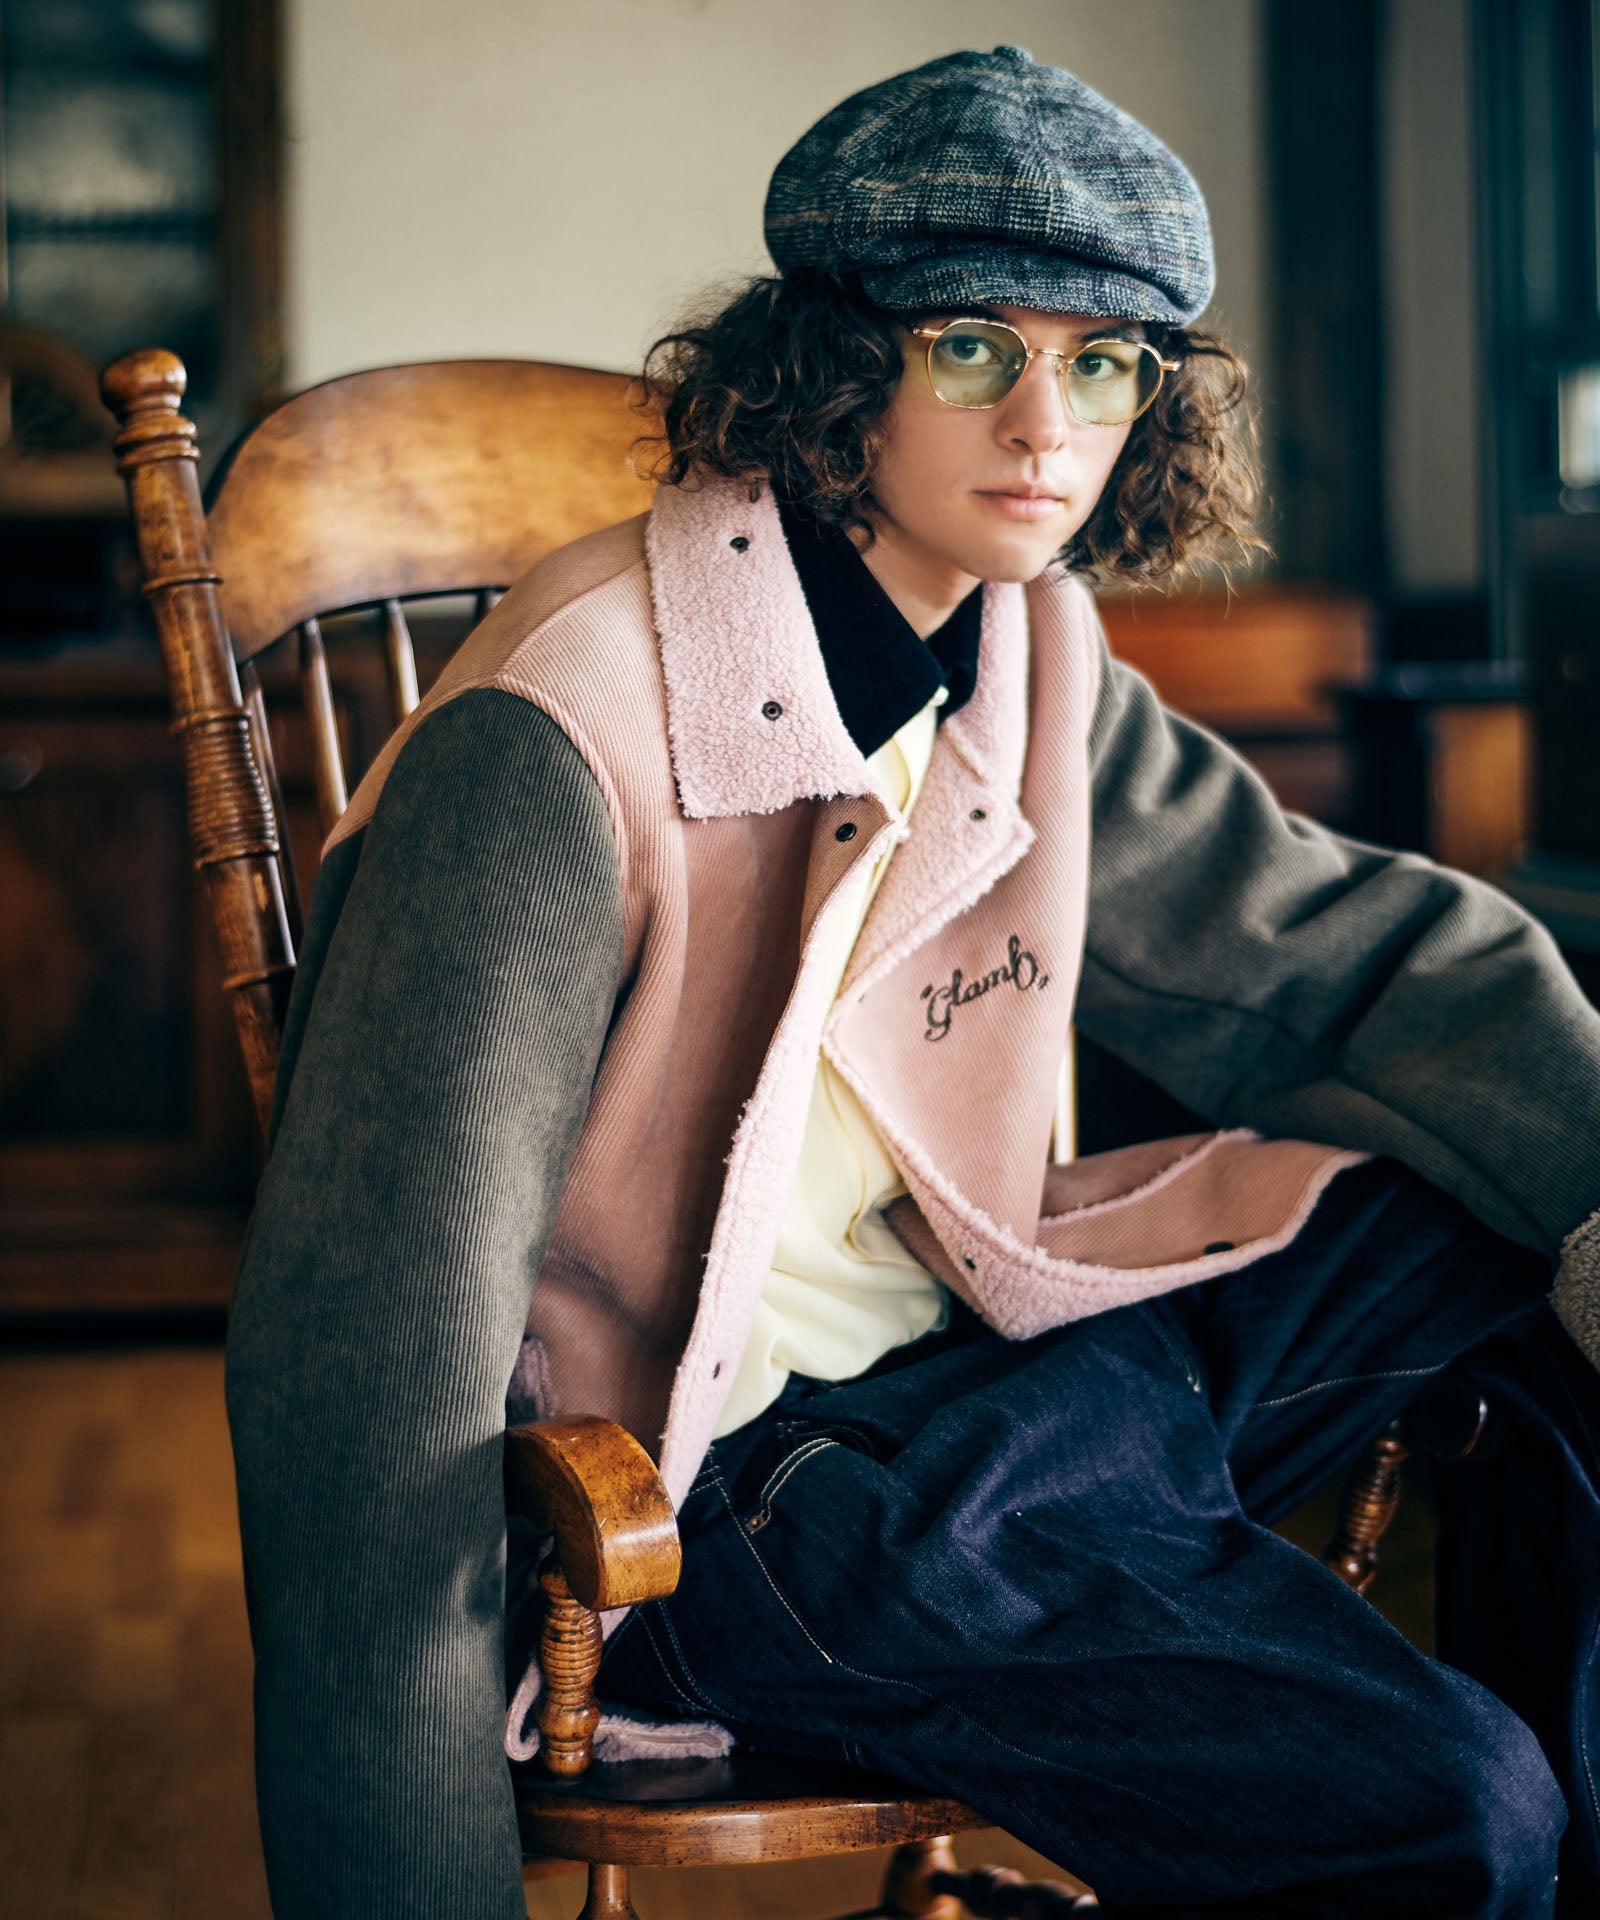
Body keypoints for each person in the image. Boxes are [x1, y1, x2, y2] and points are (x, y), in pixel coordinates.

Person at [226, 45, 1600, 1920]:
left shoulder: (1026, 642)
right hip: (739, 1494)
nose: (1046, 425)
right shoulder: (551, 741)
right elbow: (365, 1401)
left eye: (1103, 363)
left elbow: (1339, 956)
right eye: (973, 348)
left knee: (1526, 1236)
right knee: (1461, 1810)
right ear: (831, 365)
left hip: (986, 1340)